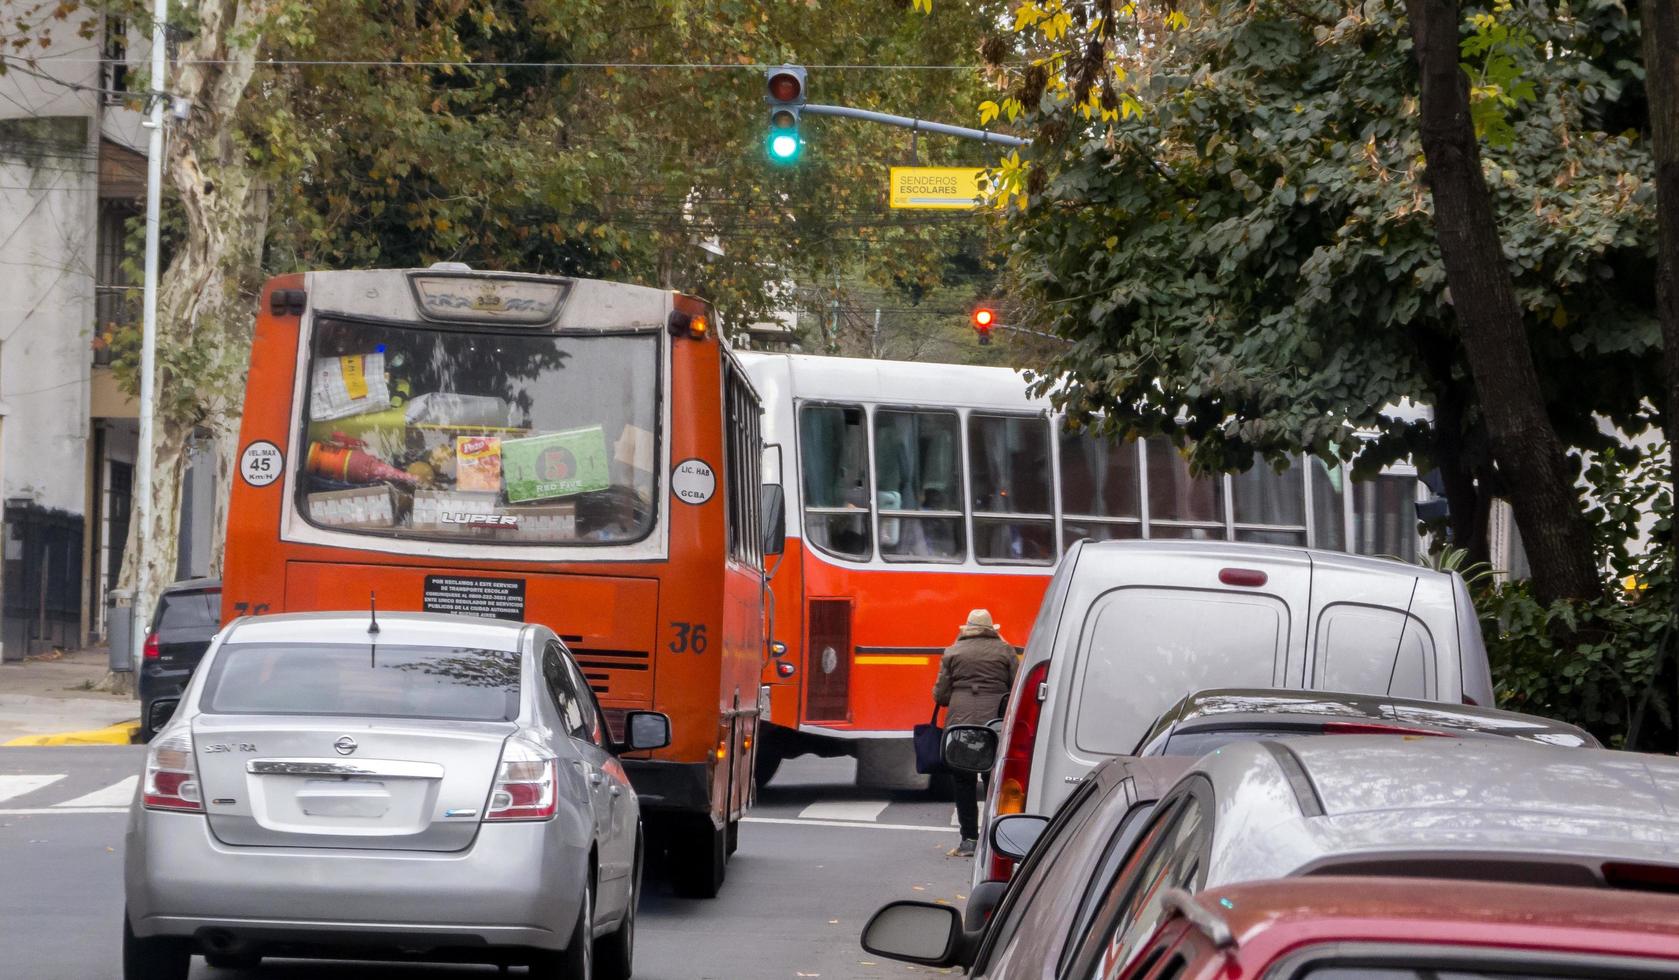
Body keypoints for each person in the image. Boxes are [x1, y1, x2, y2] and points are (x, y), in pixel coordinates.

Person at [933, 608, 1018, 856]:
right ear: (992, 630)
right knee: (993, 781)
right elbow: (1015, 688)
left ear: (967, 628)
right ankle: (995, 840)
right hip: (995, 725)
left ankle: (968, 840)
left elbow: (940, 695)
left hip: (961, 724)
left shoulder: (953, 651)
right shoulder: (1006, 651)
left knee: (963, 781)